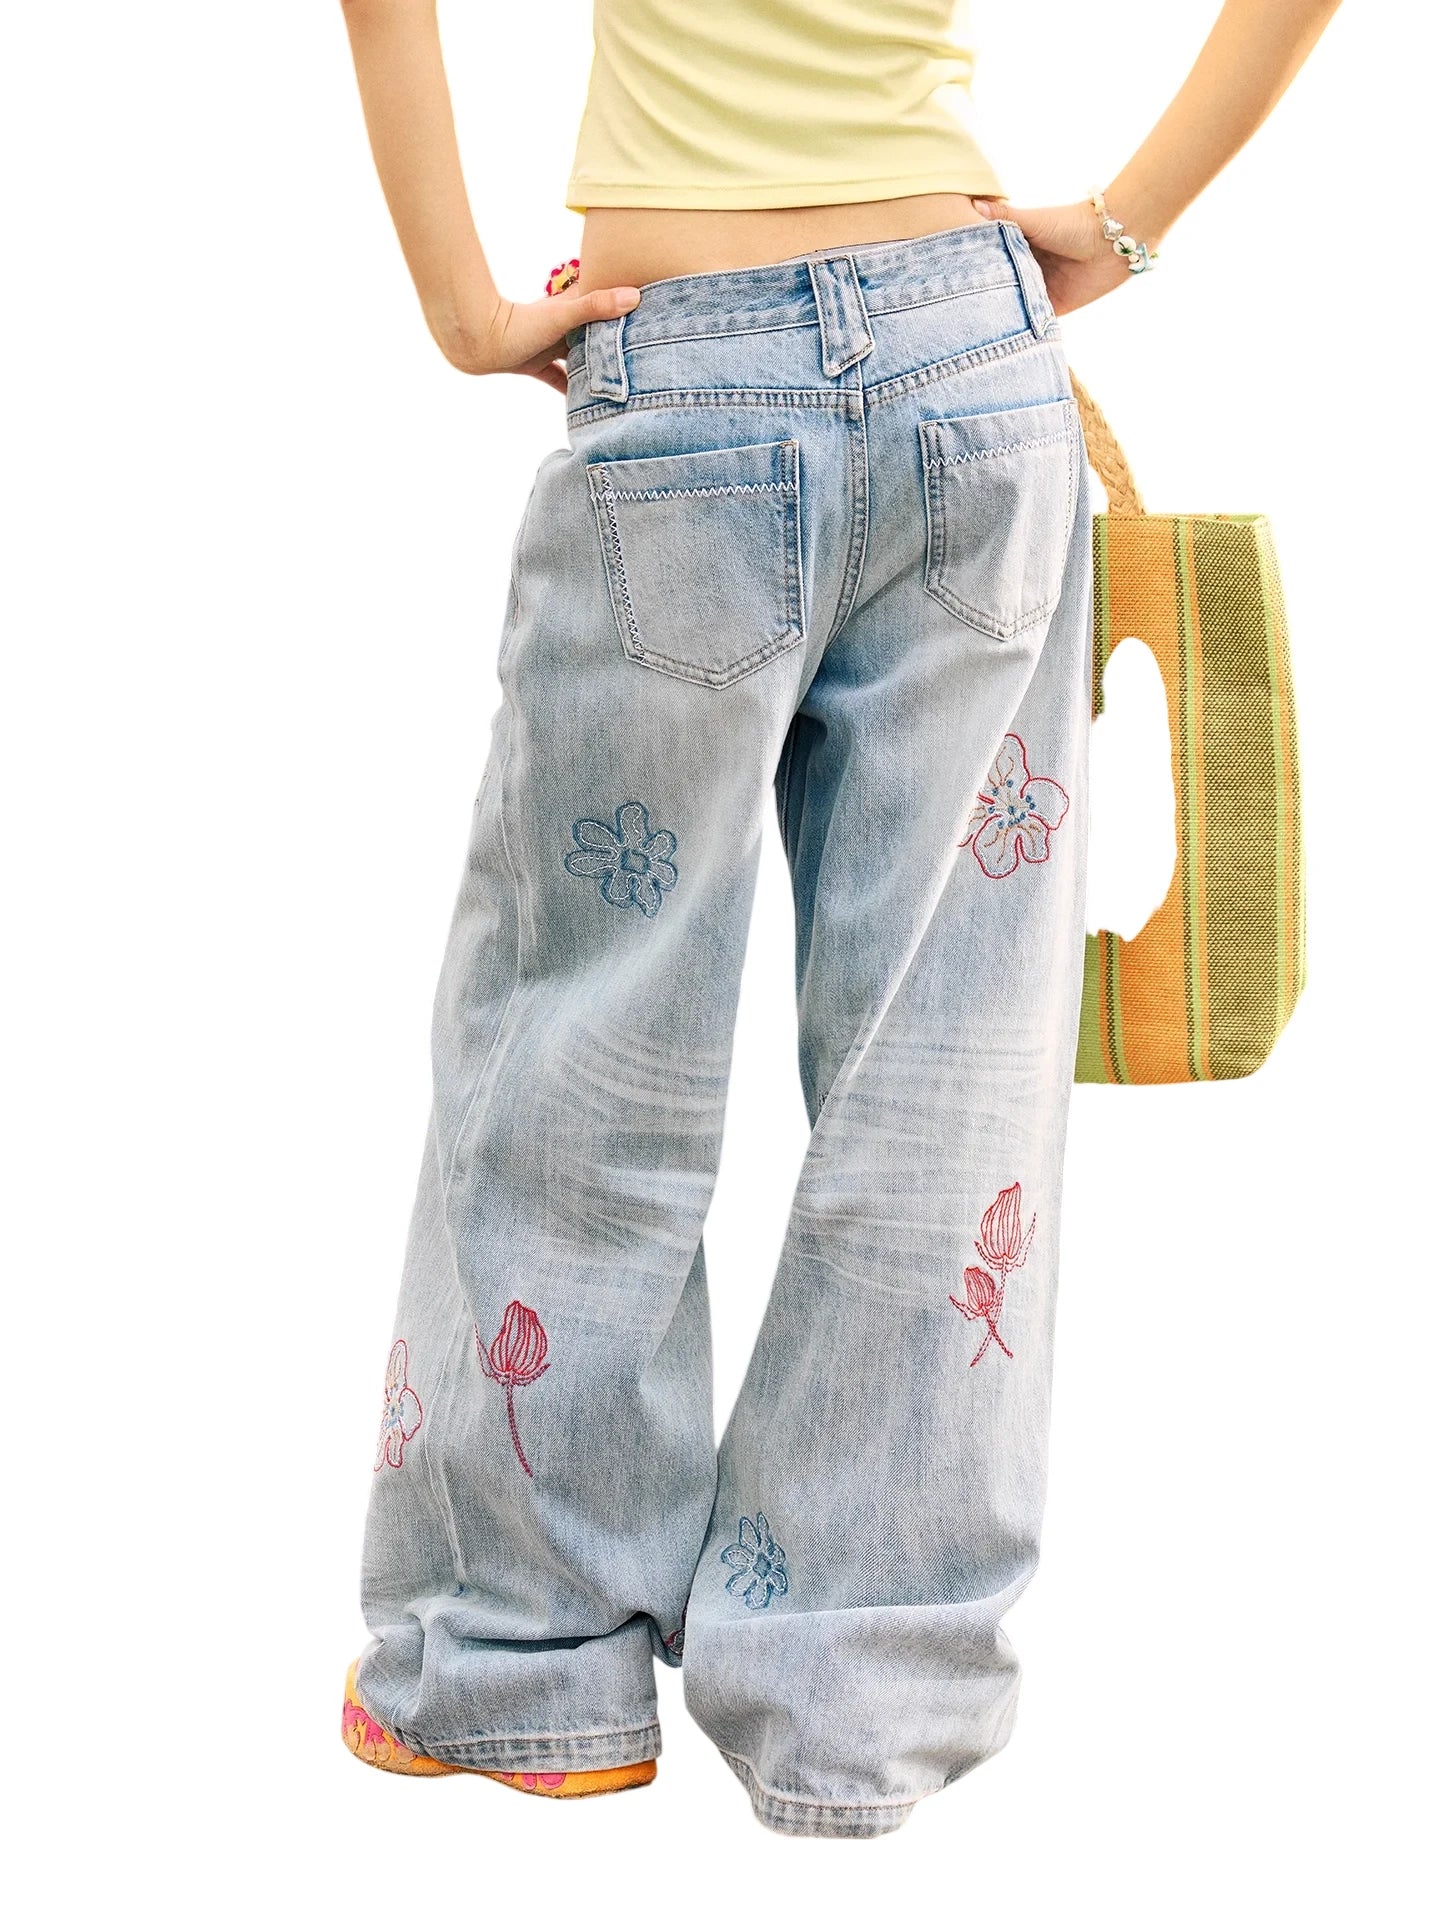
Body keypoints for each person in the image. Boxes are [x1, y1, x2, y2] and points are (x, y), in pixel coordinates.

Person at [336, 0, 1340, 1837]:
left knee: (576, 1041)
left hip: (687, 381)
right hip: (976, 365)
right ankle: (858, 1699)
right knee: (946, 1071)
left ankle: (520, 1661)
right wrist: (1122, 226)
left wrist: (464, 308)